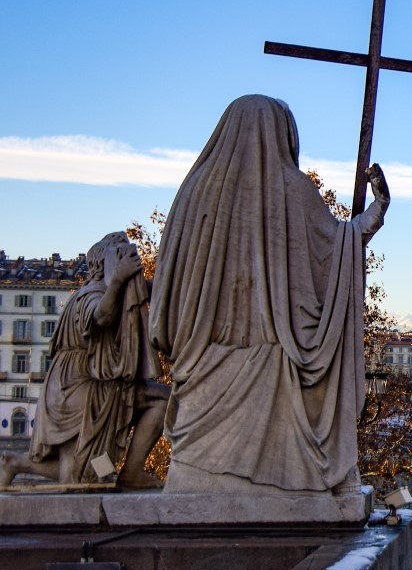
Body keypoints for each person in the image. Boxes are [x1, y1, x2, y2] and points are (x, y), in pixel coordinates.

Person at [150, 95, 389, 495]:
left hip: (203, 367)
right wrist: (379, 206)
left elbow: (168, 289)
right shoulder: (292, 189)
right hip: (272, 367)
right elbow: (339, 245)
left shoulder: (192, 193)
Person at [1, 232, 169, 490]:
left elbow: (149, 290)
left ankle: (16, 463)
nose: (130, 259)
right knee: (164, 400)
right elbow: (101, 316)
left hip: (78, 385)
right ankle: (132, 472)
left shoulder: (106, 290)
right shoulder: (91, 294)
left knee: (84, 473)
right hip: (82, 387)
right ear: (107, 263)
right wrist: (119, 280)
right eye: (122, 255)